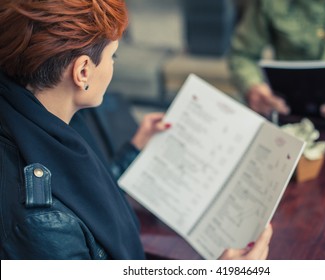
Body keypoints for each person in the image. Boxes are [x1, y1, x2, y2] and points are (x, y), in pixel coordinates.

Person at [0, 0, 272, 259]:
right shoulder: (41, 221)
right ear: (83, 71)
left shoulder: (39, 119)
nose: (112, 65)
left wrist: (134, 149)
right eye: (112, 55)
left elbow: (84, 199)